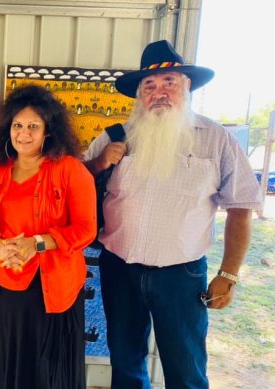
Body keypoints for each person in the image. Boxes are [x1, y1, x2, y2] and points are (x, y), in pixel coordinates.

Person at [83, 40, 262, 388]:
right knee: (126, 363)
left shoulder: (217, 140)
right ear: (139, 94)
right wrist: (101, 162)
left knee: (186, 369)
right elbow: (74, 184)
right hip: (120, 269)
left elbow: (241, 207)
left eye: (170, 82)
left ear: (187, 86)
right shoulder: (114, 137)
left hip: (181, 277)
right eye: (149, 85)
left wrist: (229, 274)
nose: (159, 92)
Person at [0, 84, 97, 389]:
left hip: (52, 287)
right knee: (6, 368)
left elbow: (86, 229)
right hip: (5, 282)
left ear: (48, 132)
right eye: (17, 125)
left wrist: (37, 243)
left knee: (47, 374)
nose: (23, 133)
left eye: (32, 126)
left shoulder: (71, 170)